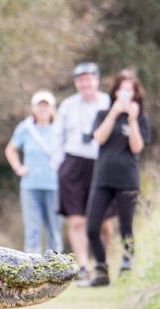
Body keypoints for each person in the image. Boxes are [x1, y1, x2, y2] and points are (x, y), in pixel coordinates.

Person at [86, 70, 149, 287]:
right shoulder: (103, 113)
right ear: (115, 92)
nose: (124, 94)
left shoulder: (140, 118)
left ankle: (127, 267)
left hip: (127, 180)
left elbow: (137, 147)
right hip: (103, 178)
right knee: (92, 227)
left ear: (135, 94)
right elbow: (99, 138)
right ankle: (101, 270)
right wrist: (113, 114)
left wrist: (132, 120)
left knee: (126, 228)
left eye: (128, 90)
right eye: (121, 89)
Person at [55, 62, 115, 282]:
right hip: (74, 163)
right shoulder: (68, 105)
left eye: (89, 78)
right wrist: (59, 167)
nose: (85, 83)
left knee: (104, 222)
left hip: (102, 164)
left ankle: (101, 262)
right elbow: (57, 137)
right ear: (76, 83)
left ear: (97, 80)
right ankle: (82, 265)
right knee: (77, 220)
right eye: (80, 79)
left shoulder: (109, 102)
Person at [4, 90, 63, 254]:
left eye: (46, 105)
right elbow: (11, 149)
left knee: (54, 229)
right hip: (31, 186)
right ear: (33, 108)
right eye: (40, 105)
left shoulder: (60, 128)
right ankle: (32, 268)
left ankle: (55, 268)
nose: (43, 108)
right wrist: (18, 167)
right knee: (32, 229)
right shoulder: (26, 128)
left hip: (55, 185)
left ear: (52, 108)